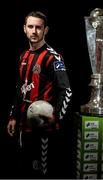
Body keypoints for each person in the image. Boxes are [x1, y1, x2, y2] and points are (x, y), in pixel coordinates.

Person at [7, 11, 72, 178]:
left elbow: (66, 91)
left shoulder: (53, 58)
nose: (34, 31)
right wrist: (13, 116)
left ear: (46, 30)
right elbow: (19, 88)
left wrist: (55, 117)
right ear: (24, 29)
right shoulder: (24, 56)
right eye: (30, 26)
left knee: (42, 173)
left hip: (43, 130)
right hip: (24, 126)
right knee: (25, 169)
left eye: (38, 27)